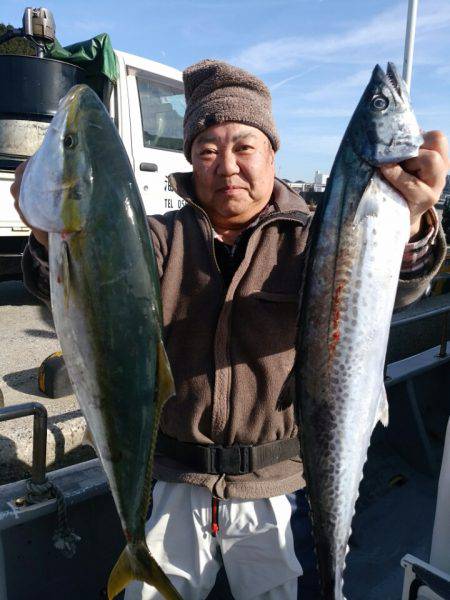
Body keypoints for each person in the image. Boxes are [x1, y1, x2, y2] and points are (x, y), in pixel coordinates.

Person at [12, 60, 449, 599]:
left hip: (279, 488)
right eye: (207, 150)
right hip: (173, 480)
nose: (227, 166)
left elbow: (394, 290)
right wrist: (47, 231)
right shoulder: (154, 239)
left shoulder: (320, 240)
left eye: (244, 146)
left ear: (272, 152)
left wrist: (411, 229)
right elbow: (87, 296)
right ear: (191, 159)